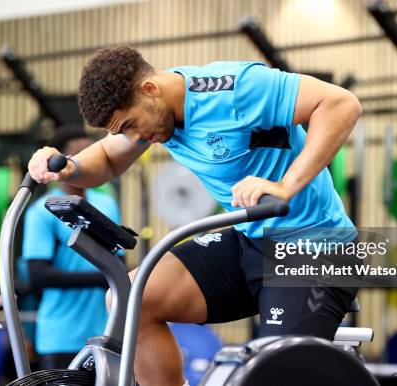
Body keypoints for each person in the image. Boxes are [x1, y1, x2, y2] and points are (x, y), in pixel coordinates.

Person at [28, 46, 362, 386]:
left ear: (149, 90)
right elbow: (108, 159)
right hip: (250, 240)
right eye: (123, 132)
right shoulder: (158, 113)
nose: (135, 139)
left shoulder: (237, 89)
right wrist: (68, 168)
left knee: (270, 374)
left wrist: (286, 185)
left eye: (130, 125)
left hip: (314, 248)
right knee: (128, 299)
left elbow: (340, 104)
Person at [22, 125, 121, 370]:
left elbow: (119, 262)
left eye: (90, 153)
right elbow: (38, 276)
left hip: (106, 333)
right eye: (78, 155)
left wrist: (114, 276)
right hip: (61, 335)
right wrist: (104, 277)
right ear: (60, 162)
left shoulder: (107, 204)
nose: (86, 161)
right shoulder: (41, 211)